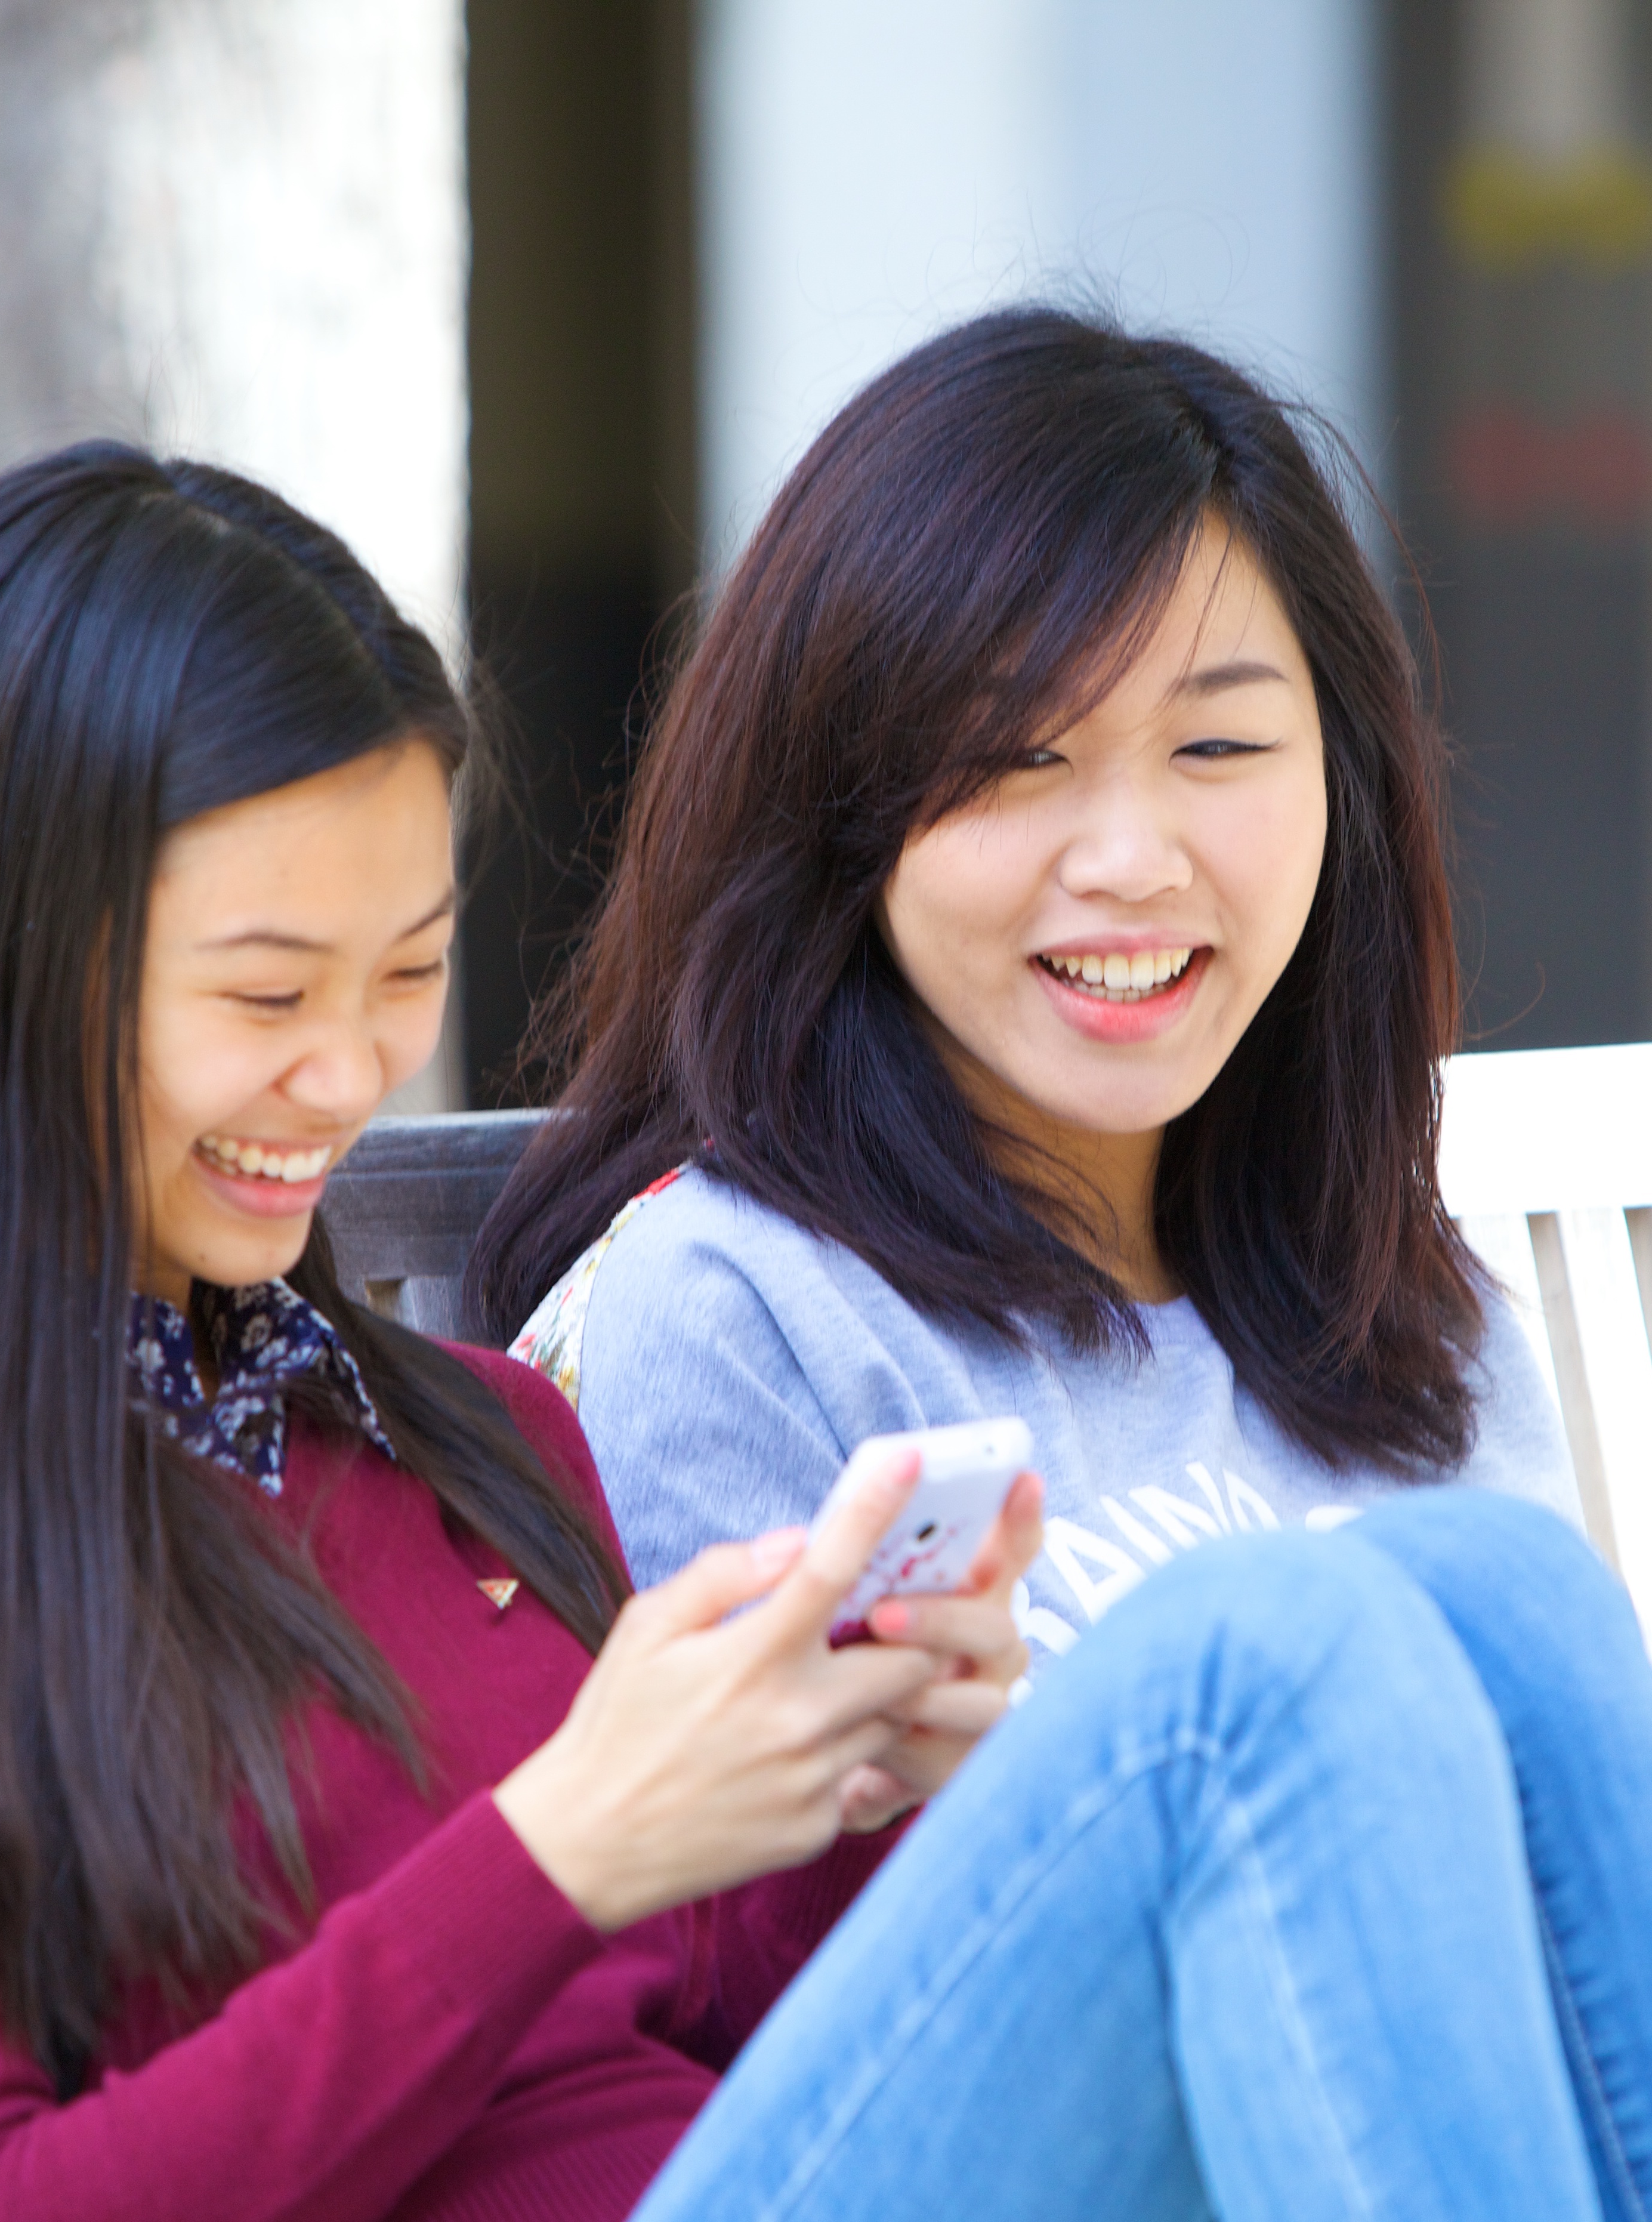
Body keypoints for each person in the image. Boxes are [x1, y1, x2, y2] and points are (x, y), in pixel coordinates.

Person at [0, 434, 1652, 2222]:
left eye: (403, 976)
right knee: (1248, 1672)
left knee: (1485, 1590)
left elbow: (701, 2017)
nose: (347, 1074)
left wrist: (872, 1782)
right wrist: (546, 1854)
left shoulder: (448, 1437)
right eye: (268, 993)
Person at [471, 307, 1580, 1669]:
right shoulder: (738, 1310)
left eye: (1219, 743)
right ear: (832, 805)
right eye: (1013, 757)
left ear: (1346, 784)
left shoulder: (1403, 1312)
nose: (1130, 861)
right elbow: (773, 1873)